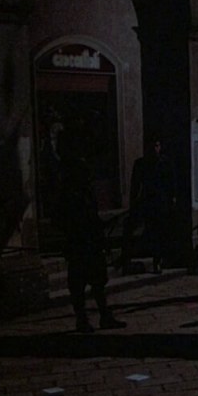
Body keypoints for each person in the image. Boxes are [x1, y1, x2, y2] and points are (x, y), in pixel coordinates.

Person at [54, 124, 126, 333]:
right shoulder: (70, 193)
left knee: (98, 282)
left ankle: (104, 316)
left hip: (91, 242)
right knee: (78, 284)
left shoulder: (85, 193)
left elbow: (91, 217)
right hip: (79, 244)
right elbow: (66, 219)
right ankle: (82, 319)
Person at [122, 136, 176, 274]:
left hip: (160, 202)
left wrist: (171, 200)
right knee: (132, 228)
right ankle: (126, 259)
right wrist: (133, 203)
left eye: (157, 146)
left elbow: (171, 184)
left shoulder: (165, 163)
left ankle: (157, 261)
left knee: (159, 232)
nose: (155, 149)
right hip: (146, 201)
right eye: (152, 146)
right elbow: (135, 186)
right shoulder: (140, 164)